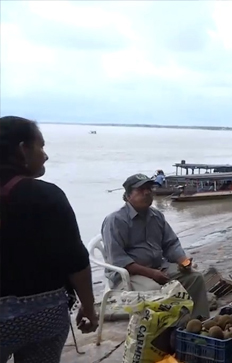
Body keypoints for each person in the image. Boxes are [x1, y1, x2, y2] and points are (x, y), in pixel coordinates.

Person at [0, 116, 98, 363]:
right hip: (43, 315)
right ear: (23, 149)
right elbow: (76, 260)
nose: (45, 155)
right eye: (40, 146)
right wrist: (88, 306)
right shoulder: (47, 196)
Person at [101, 174, 209, 318]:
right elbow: (119, 260)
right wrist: (152, 274)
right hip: (127, 275)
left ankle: (197, 323)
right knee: (158, 291)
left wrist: (184, 261)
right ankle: (164, 332)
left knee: (195, 277)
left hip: (158, 267)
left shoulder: (156, 216)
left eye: (149, 188)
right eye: (140, 190)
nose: (147, 192)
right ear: (127, 196)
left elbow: (171, 244)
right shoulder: (115, 221)